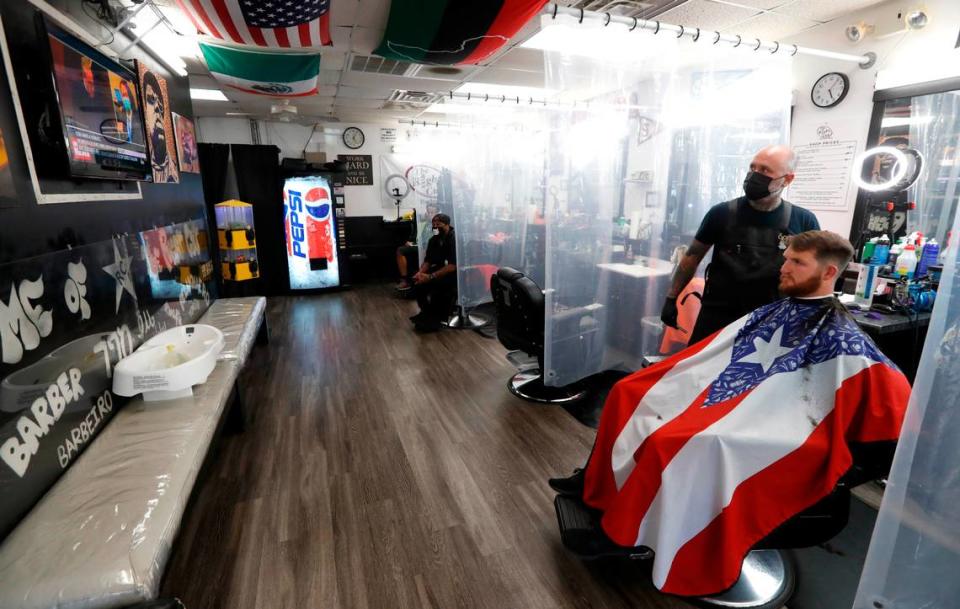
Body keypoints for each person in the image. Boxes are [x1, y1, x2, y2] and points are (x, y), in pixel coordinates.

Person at [550, 231, 911, 597]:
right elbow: (718, 353)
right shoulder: (780, 309)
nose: (783, 268)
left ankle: (623, 533)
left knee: (672, 441)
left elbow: (888, 390)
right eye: (786, 258)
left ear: (830, 271)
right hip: (738, 399)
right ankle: (595, 485)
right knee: (627, 393)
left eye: (797, 263)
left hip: (775, 425)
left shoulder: (843, 337)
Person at [661, 145, 820, 345]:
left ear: (787, 179)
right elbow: (692, 257)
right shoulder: (721, 214)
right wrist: (671, 298)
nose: (754, 174)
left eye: (765, 170)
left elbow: (813, 272)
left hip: (770, 321)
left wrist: (808, 314)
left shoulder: (803, 221)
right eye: (753, 167)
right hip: (717, 316)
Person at [410, 214, 457, 333]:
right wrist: (420, 273)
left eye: (438, 223)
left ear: (447, 224)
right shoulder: (434, 240)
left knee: (439, 286)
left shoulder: (454, 239)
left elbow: (452, 265)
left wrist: (430, 276)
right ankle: (427, 313)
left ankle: (437, 319)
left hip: (454, 272)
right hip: (440, 269)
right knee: (417, 284)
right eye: (433, 223)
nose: (435, 226)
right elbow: (428, 260)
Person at [396, 203, 438, 291]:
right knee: (400, 250)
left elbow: (436, 240)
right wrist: (411, 242)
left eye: (432, 212)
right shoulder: (424, 223)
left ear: (437, 213)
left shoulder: (438, 225)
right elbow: (419, 236)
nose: (429, 214)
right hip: (419, 246)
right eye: (428, 212)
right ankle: (405, 279)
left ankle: (414, 280)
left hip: (430, 249)